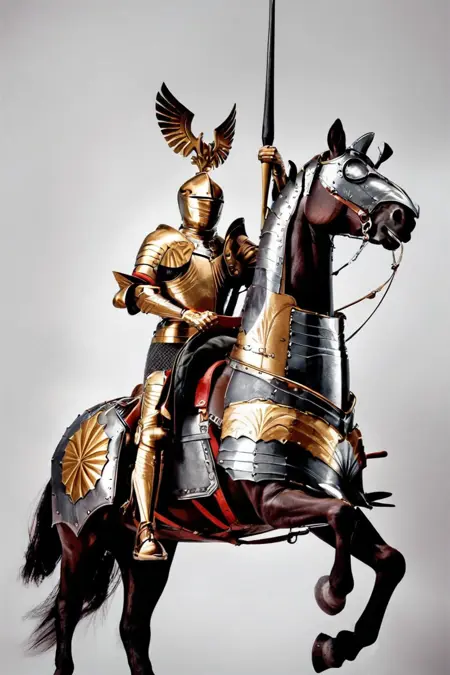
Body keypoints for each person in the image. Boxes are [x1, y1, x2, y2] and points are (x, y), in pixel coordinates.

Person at [113, 83, 287, 561]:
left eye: (214, 205)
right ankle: (145, 527)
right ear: (184, 202)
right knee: (154, 427)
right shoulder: (164, 240)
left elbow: (278, 250)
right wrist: (186, 312)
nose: (207, 210)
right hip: (173, 344)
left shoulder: (230, 247)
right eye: (200, 202)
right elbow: (136, 292)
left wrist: (276, 174)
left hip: (223, 343)